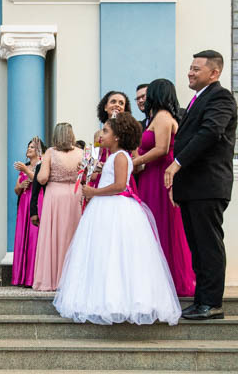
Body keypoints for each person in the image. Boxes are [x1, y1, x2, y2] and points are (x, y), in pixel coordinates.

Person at [54, 113, 181, 325]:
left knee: (115, 253)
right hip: (105, 207)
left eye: (106, 131)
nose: (101, 134)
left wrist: (93, 192)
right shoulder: (114, 157)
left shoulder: (121, 156)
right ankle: (102, 298)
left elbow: (121, 185)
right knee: (103, 253)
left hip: (115, 207)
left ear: (117, 137)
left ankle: (118, 300)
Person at [165, 50, 237, 320]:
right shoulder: (198, 99)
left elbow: (210, 133)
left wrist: (177, 164)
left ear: (214, 73)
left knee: (208, 244)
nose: (190, 73)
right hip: (192, 187)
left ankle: (211, 303)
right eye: (191, 67)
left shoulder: (221, 97)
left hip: (208, 185)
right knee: (197, 246)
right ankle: (201, 300)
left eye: (196, 69)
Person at [133, 79, 195, 297]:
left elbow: (161, 148)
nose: (145, 98)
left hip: (159, 176)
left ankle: (170, 280)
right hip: (150, 175)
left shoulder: (162, 117)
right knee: (153, 226)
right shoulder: (157, 116)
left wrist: (135, 161)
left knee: (160, 225)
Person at [32, 123, 83, 292]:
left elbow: (42, 178)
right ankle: (73, 280)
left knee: (54, 236)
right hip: (76, 194)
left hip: (55, 196)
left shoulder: (50, 152)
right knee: (73, 235)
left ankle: (52, 279)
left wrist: (41, 165)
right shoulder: (80, 152)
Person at [12, 137, 46, 287]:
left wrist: (26, 171)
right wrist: (21, 186)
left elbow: (40, 181)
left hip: (36, 202)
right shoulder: (24, 166)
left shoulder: (42, 165)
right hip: (23, 203)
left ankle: (32, 278)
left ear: (39, 150)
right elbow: (16, 189)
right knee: (22, 237)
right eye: (28, 146)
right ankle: (21, 277)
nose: (29, 149)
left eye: (32, 147)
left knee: (34, 238)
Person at [90, 91, 133, 189]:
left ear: (125, 109)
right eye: (113, 101)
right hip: (101, 179)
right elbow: (95, 156)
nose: (117, 105)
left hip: (122, 179)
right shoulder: (98, 135)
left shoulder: (129, 133)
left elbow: (135, 158)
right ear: (105, 107)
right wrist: (95, 165)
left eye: (121, 103)